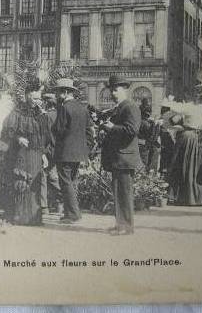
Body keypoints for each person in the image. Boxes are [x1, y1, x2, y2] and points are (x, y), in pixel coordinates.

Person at [0, 80, 53, 226]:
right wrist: (18, 138)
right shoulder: (17, 113)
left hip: (35, 155)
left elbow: (46, 137)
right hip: (20, 154)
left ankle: (34, 218)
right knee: (21, 183)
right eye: (34, 98)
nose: (37, 102)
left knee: (34, 185)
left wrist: (44, 154)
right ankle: (18, 216)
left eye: (39, 99)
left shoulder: (41, 115)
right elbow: (7, 131)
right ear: (27, 96)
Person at [101, 75, 141, 235]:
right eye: (111, 89)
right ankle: (120, 224)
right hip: (119, 157)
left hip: (125, 157)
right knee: (119, 193)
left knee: (124, 193)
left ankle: (126, 226)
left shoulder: (130, 107)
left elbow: (132, 130)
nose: (112, 93)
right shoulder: (121, 107)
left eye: (115, 89)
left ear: (125, 89)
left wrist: (111, 127)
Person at [51, 78, 93, 224]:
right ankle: (70, 212)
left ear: (65, 92)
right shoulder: (83, 108)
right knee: (72, 182)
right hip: (79, 153)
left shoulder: (64, 108)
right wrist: (85, 148)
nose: (56, 95)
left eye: (58, 92)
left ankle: (73, 213)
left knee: (65, 183)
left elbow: (58, 130)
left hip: (65, 152)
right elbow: (89, 131)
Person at [167, 103, 202, 206]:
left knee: (182, 164)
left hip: (188, 137)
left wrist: (179, 123)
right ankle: (199, 199)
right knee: (197, 167)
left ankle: (184, 197)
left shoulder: (189, 107)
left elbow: (172, 120)